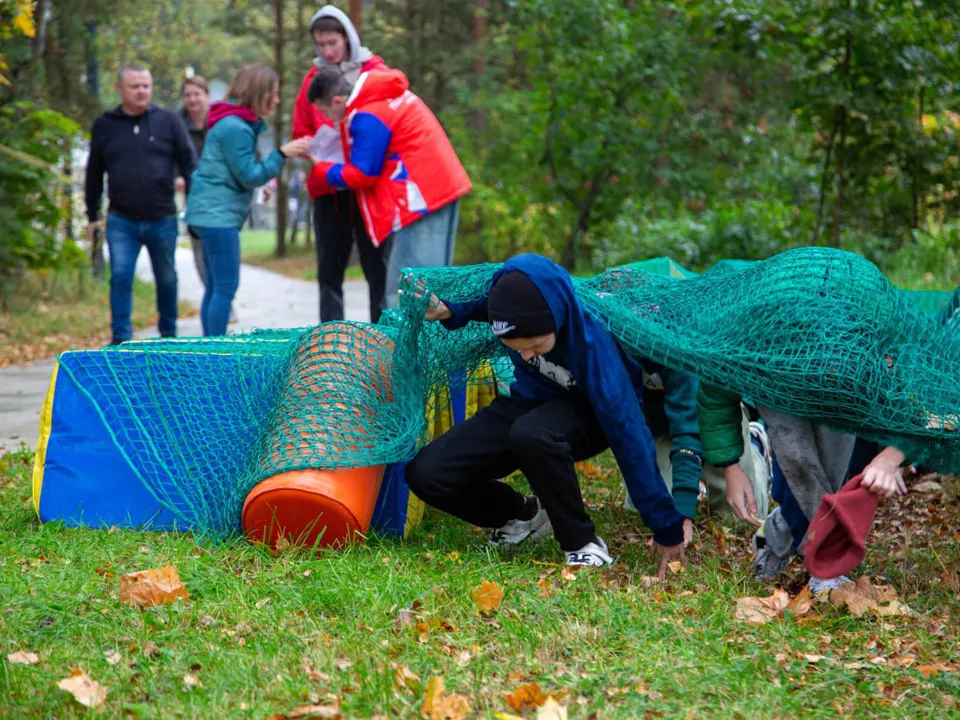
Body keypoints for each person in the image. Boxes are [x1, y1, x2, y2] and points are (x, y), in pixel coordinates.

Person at [404, 254, 688, 577]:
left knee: (531, 433)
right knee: (426, 472)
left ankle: (583, 545)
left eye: (535, 347)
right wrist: (451, 310)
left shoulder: (594, 346)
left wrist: (666, 527)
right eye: (516, 348)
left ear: (556, 318)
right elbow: (489, 305)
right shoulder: (515, 310)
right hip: (531, 405)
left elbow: (629, 434)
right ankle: (523, 515)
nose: (526, 356)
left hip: (588, 416)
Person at [697, 383, 908, 592]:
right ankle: (824, 567)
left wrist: (894, 453)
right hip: (776, 376)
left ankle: (777, 532)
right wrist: (730, 466)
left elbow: (907, 383)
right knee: (797, 464)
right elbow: (716, 389)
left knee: (833, 469)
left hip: (843, 377)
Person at [307, 67, 471, 310]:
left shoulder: (367, 113)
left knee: (410, 289)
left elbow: (364, 173)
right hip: (437, 191)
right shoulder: (382, 99)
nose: (330, 119)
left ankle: (407, 348)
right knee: (430, 284)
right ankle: (422, 346)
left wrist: (321, 168)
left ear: (338, 100)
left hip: (420, 200)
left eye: (326, 111)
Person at [185, 65, 312, 336]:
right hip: (216, 216)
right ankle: (215, 351)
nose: (277, 101)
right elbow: (248, 175)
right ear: (258, 93)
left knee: (215, 286)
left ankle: (210, 346)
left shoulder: (232, 121)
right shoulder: (236, 127)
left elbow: (235, 170)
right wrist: (281, 153)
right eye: (273, 94)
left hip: (208, 212)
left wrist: (259, 182)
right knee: (225, 286)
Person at [85, 64, 197, 345]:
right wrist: (92, 214)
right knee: (121, 277)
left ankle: (168, 336)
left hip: (162, 216)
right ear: (120, 89)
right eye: (134, 86)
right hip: (122, 219)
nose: (141, 91)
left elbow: (189, 163)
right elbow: (94, 171)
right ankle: (121, 337)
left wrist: (194, 206)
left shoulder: (169, 121)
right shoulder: (104, 125)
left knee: (167, 278)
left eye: (146, 85)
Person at [292, 5, 388, 323]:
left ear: (348, 38)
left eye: (333, 43)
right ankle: (331, 343)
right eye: (320, 44)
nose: (327, 50)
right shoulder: (312, 80)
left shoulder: (373, 73)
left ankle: (383, 340)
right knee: (329, 271)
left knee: (379, 269)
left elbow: (388, 122)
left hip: (368, 185)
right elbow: (301, 129)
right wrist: (313, 146)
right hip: (328, 187)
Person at [622, 366, 771, 543]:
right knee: (648, 518)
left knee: (743, 518)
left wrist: (684, 506)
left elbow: (689, 426)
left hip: (712, 420)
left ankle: (755, 449)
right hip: (658, 426)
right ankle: (691, 477)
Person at [176, 75, 211, 285]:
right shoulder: (176, 123)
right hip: (193, 192)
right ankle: (209, 290)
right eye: (188, 95)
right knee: (198, 242)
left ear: (207, 96)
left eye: (197, 94)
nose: (193, 99)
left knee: (219, 246)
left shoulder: (219, 121)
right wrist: (175, 176)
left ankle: (222, 295)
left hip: (220, 192)